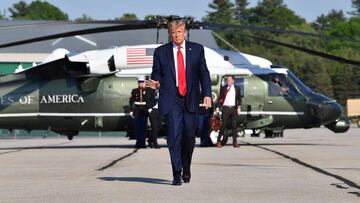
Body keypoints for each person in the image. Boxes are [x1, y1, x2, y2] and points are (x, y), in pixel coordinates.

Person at [147, 19, 212, 186]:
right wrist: (155, 82)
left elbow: (204, 73)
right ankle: (176, 173)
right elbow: (157, 73)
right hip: (171, 98)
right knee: (174, 136)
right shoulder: (161, 52)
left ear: (184, 33)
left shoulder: (197, 50)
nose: (176, 35)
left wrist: (207, 94)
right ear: (170, 34)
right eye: (173, 32)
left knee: (189, 137)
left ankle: (186, 167)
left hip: (190, 98)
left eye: (179, 32)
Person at [216, 75, 241, 148]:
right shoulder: (224, 88)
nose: (228, 81)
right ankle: (218, 141)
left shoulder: (237, 88)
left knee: (234, 126)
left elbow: (239, 98)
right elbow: (220, 98)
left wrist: (239, 107)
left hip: (233, 109)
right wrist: (218, 107)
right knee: (223, 125)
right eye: (227, 80)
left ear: (233, 81)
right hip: (225, 108)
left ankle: (235, 142)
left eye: (230, 80)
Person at [129, 76, 148, 148]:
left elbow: (149, 100)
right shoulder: (134, 91)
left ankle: (143, 143)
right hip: (136, 110)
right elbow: (131, 101)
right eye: (139, 82)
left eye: (142, 82)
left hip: (144, 110)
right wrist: (131, 110)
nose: (141, 84)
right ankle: (138, 143)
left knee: (143, 128)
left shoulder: (147, 90)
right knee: (137, 128)